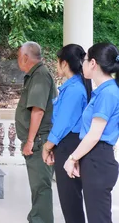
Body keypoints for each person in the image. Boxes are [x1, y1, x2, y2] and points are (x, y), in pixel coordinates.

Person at [63, 42, 119, 223]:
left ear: (93, 63)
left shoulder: (108, 93)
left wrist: (72, 159)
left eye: (85, 60)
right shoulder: (104, 91)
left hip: (98, 161)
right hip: (95, 159)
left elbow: (95, 134)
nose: (83, 64)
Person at [41, 44, 91, 223]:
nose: (56, 66)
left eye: (57, 62)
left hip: (69, 144)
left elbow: (62, 123)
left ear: (64, 63)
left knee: (70, 199)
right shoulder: (74, 86)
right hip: (67, 143)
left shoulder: (74, 89)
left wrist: (47, 146)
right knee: (70, 198)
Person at [15, 41, 57, 223]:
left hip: (39, 141)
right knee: (38, 186)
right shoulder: (36, 75)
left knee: (41, 186)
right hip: (38, 140)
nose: (18, 60)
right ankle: (37, 218)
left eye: (18, 56)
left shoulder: (40, 75)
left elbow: (38, 110)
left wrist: (30, 141)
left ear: (25, 57)